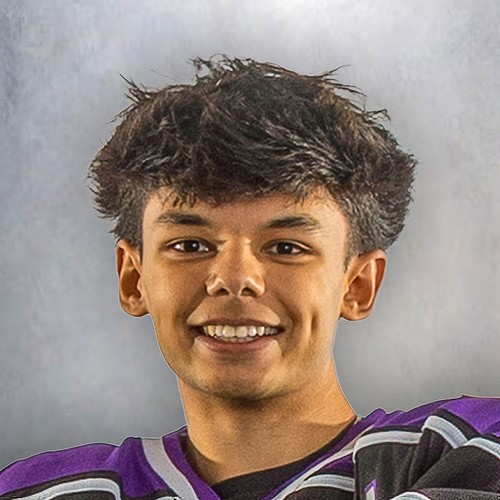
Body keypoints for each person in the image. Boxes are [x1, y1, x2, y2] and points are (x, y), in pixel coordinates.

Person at [1, 56, 499, 500]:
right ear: (134, 278)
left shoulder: (467, 446)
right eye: (190, 245)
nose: (235, 278)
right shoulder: (39, 491)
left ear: (357, 284)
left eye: (286, 247)